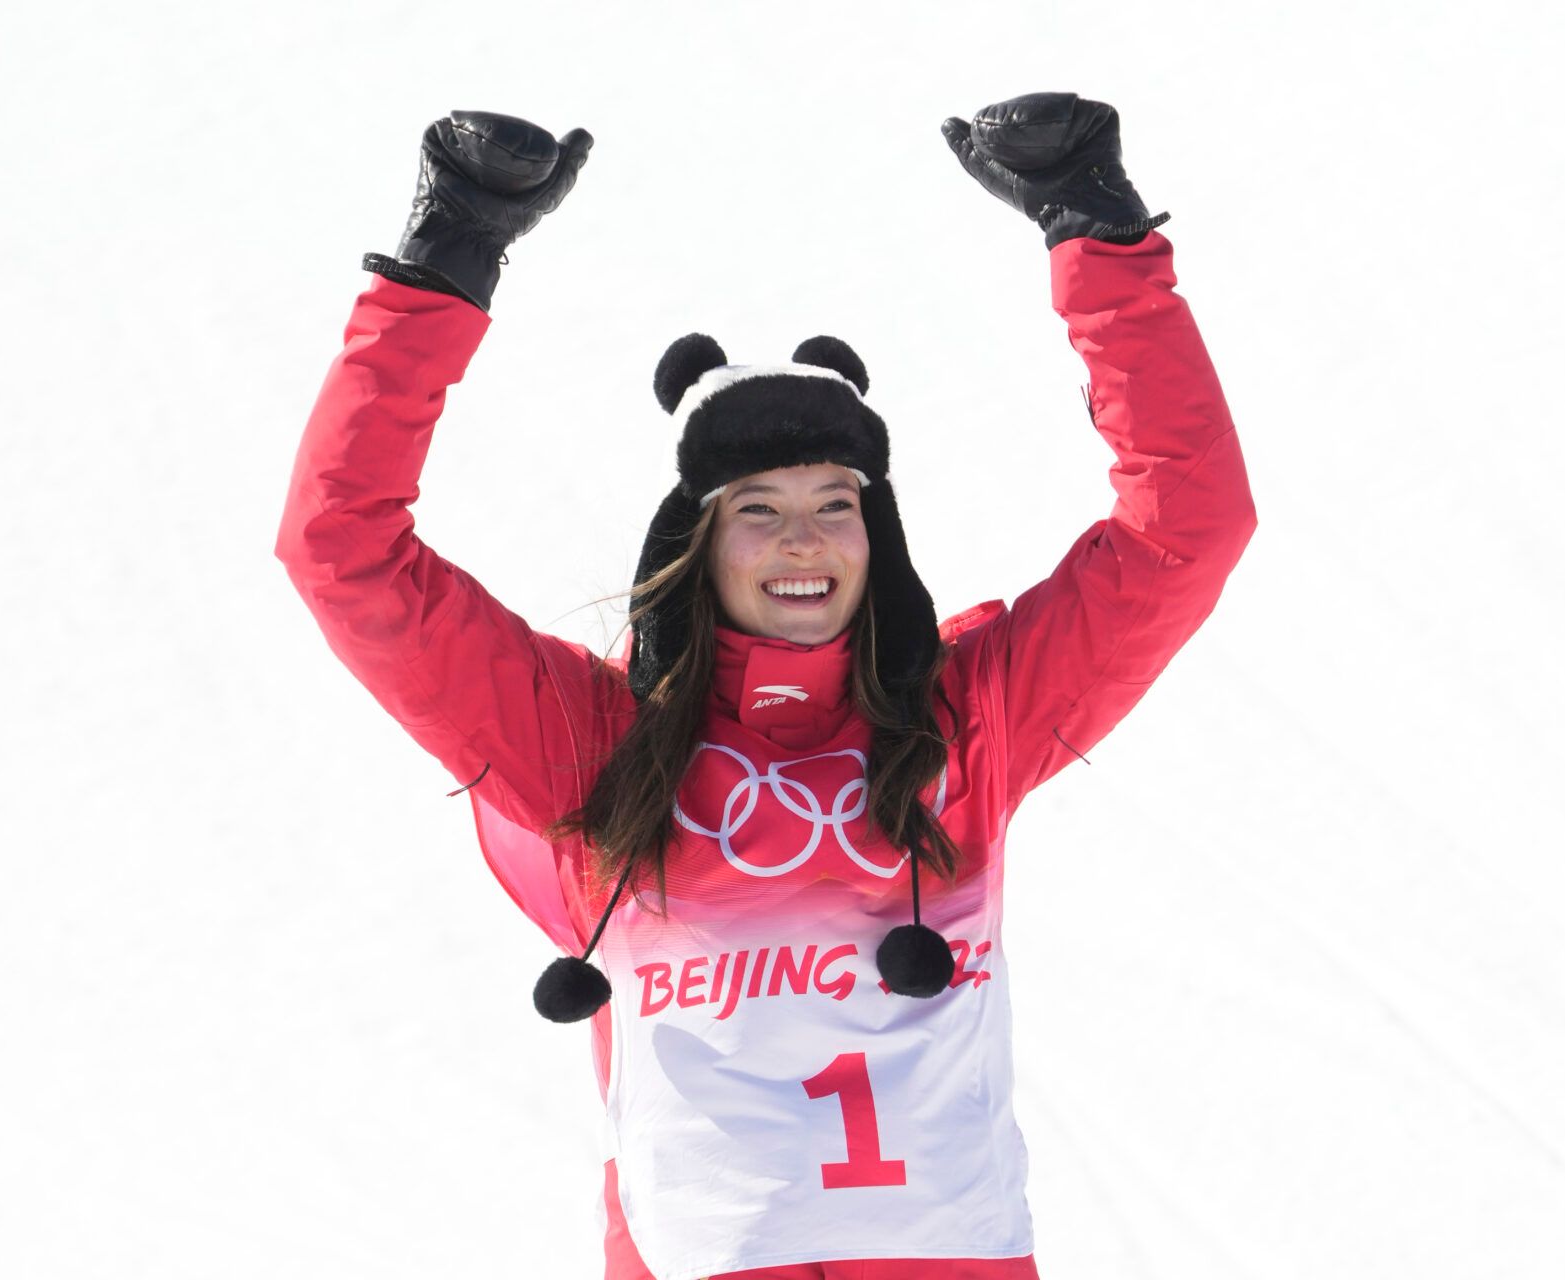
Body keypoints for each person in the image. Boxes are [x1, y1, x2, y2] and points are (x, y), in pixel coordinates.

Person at [275, 91, 1256, 1280]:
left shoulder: (964, 723)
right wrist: (447, 262)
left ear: (876, 535)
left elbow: (1186, 530)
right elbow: (343, 551)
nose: (804, 540)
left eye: (836, 502)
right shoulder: (590, 747)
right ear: (694, 544)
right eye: (758, 509)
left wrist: (1096, 235)